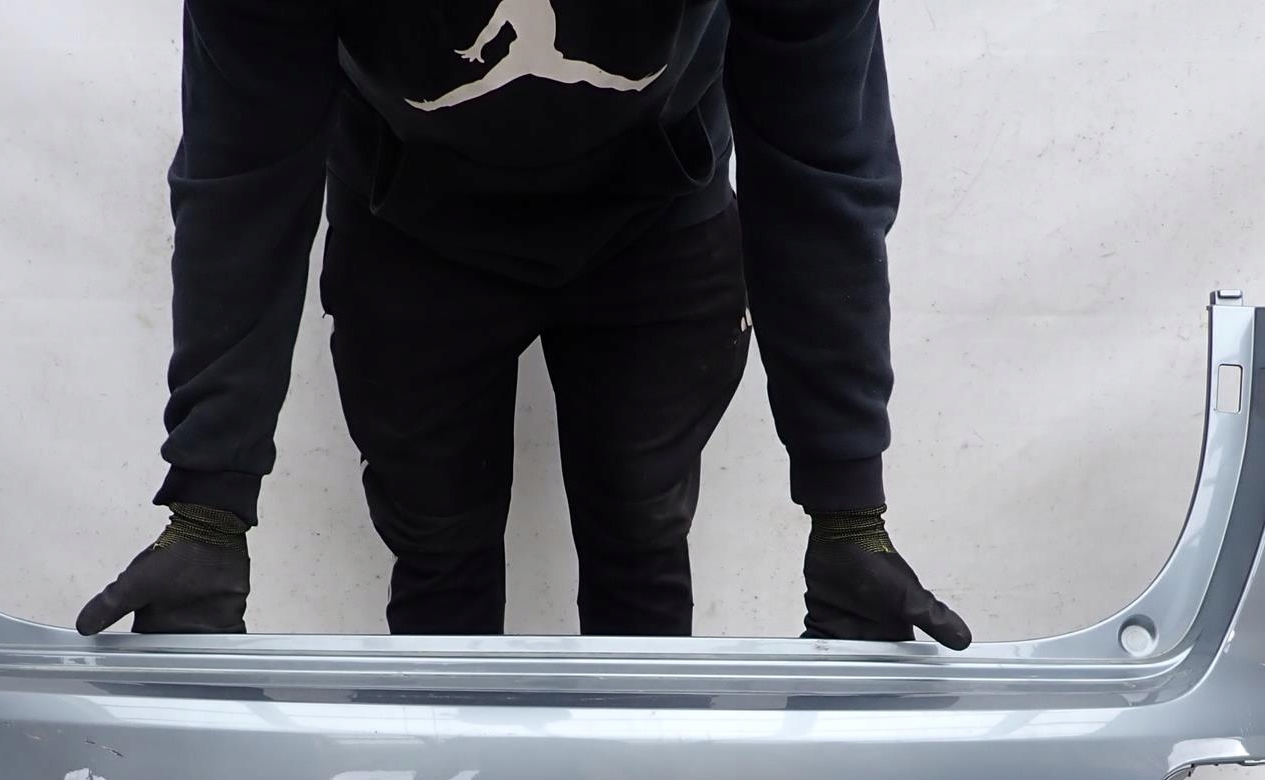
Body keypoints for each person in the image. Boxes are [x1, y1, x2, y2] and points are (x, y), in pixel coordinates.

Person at [76, 0, 971, 648]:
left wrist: (848, 516)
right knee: (437, 555)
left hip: (658, 212)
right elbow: (243, 177)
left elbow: (818, 163)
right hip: (408, 219)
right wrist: (209, 510)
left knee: (641, 536)